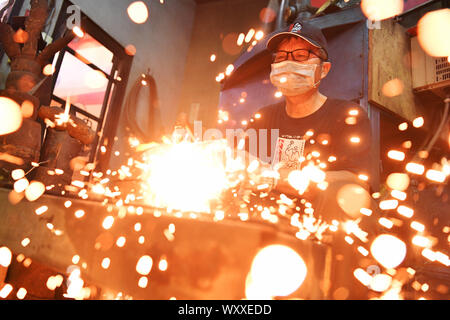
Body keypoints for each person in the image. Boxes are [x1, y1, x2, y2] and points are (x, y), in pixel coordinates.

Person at [245, 19, 374, 223]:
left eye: (301, 56)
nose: (288, 64)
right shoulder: (263, 119)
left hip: (320, 228)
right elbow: (242, 167)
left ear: (324, 69)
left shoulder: (347, 116)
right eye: (281, 57)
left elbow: (358, 182)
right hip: (267, 227)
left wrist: (285, 179)